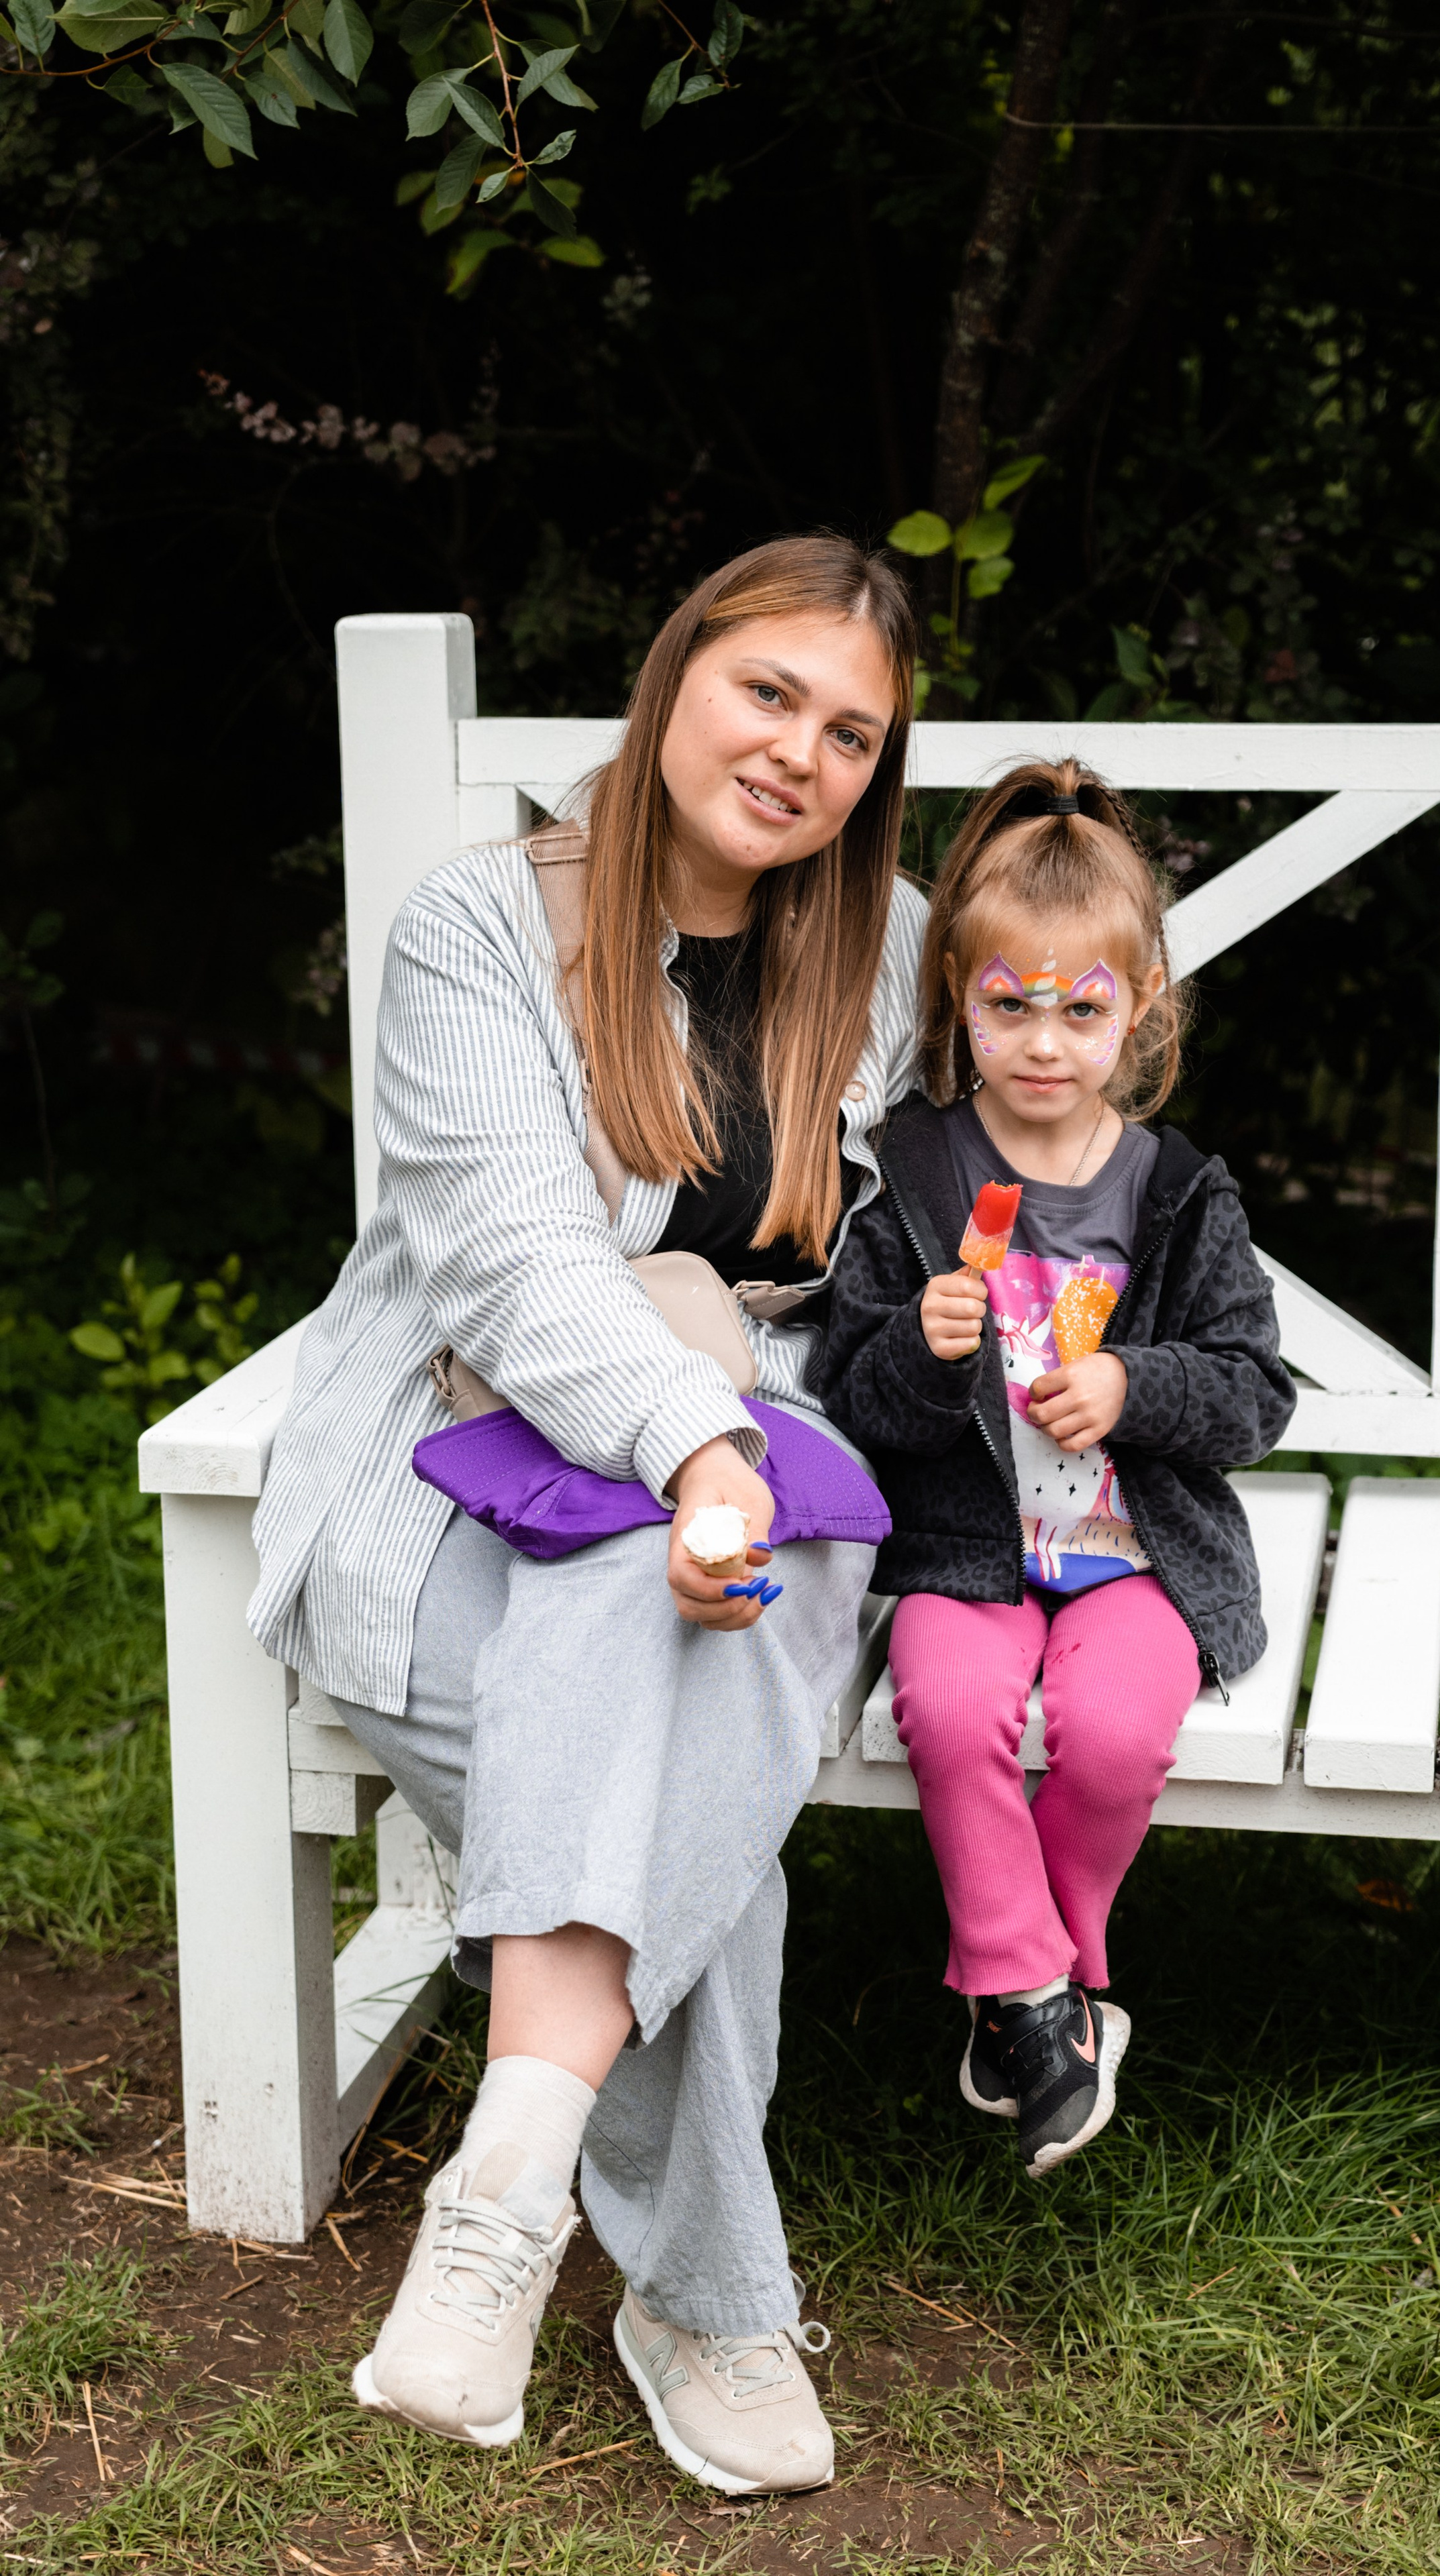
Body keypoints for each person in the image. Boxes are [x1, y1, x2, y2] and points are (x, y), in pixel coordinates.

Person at [248, 536, 925, 2487]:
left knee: (677, 1633)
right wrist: (697, 1446)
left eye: (851, 734)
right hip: (452, 1469)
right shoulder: (478, 927)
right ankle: (704, 2300)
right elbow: (516, 1266)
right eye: (769, 691)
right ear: (676, 674)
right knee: (697, 1782)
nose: (799, 754)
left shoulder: (882, 950)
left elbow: (1065, 1090)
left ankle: (500, 2202)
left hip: (762, 1473)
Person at [818, 759, 1296, 2181]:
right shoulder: (911, 1177)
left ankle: (1039, 1988)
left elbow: (1256, 1393)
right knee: (952, 1707)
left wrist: (1134, 1385)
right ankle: (1035, 2000)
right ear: (954, 1000)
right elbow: (854, 1396)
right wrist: (919, 1349)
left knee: (1115, 1732)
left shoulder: (1175, 1191)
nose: (1042, 1043)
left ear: (1139, 1008)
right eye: (1007, 1006)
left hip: (1135, 1554)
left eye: (1080, 1010)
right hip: (964, 1551)